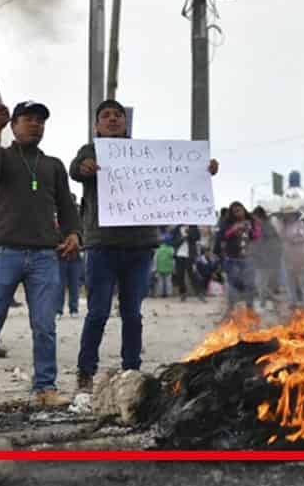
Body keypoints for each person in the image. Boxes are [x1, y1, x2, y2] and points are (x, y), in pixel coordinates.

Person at [70, 99, 218, 392]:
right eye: (106, 116)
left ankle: (131, 370)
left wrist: (204, 169)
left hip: (139, 247)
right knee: (97, 312)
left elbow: (181, 177)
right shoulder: (91, 151)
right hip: (102, 246)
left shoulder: (143, 154)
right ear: (96, 125)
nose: (113, 120)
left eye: (118, 116)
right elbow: (75, 170)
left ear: (126, 123)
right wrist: (84, 167)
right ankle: (85, 371)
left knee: (133, 314)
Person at [0, 102, 81, 406]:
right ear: (14, 126)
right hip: (3, 252)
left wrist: (73, 233)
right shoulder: (0, 157)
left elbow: (67, 206)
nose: (35, 125)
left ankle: (45, 387)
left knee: (45, 325)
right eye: (28, 120)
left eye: (40, 121)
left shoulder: (53, 165)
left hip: (44, 255)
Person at [221, 201, 260, 314]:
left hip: (249, 259)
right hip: (232, 259)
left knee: (250, 285)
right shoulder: (227, 223)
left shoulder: (251, 221)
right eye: (235, 211)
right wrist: (234, 229)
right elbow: (222, 236)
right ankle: (230, 310)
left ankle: (250, 309)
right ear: (232, 213)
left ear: (244, 209)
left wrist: (252, 229)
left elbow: (257, 236)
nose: (238, 213)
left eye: (240, 210)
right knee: (232, 285)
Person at [278, 200, 304, 309]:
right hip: (287, 256)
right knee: (290, 280)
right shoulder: (283, 226)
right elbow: (280, 237)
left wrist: (294, 239)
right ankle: (292, 301)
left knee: (303, 280)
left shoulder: (301, 224)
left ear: (294, 215)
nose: (289, 216)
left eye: (290, 214)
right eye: (287, 215)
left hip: (300, 254)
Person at [251, 206, 284, 311]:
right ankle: (270, 299)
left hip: (265, 259)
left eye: (255, 217)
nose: (254, 219)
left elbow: (274, 242)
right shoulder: (257, 226)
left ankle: (263, 303)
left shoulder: (267, 226)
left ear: (260, 216)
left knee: (261, 283)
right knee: (259, 283)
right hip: (258, 259)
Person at [170, 225, 201, 302]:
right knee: (180, 275)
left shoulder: (193, 227)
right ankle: (183, 293)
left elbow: (197, 237)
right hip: (179, 255)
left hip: (190, 255)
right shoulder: (176, 229)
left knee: (193, 275)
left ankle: (199, 293)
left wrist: (188, 232)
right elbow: (173, 242)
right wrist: (182, 238)